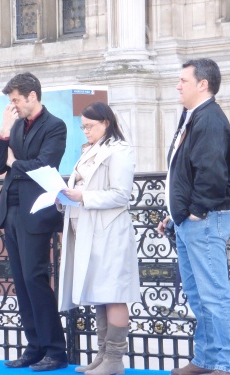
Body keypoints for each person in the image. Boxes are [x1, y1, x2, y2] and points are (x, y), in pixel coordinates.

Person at [157, 58, 230, 375]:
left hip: (204, 221)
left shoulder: (208, 119)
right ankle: (207, 359)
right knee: (198, 296)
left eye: (183, 80)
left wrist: (195, 211)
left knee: (215, 296)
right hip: (189, 221)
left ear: (202, 84)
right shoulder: (193, 117)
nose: (177, 85)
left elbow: (212, 172)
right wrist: (174, 215)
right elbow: (184, 172)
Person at [0, 72, 68, 371]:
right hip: (11, 212)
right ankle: (34, 347)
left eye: (16, 100)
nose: (14, 106)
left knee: (36, 279)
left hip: (36, 211)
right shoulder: (16, 125)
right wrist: (3, 133)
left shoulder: (54, 126)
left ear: (32, 96)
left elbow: (45, 165)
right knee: (22, 283)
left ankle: (55, 351)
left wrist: (14, 163)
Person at [57, 102, 140, 375]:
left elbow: (120, 194)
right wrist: (64, 196)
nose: (86, 132)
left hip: (110, 231)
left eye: (90, 126)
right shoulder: (90, 151)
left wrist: (84, 196)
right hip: (89, 230)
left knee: (114, 294)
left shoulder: (120, 150)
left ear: (106, 122)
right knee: (101, 294)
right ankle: (103, 355)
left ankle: (114, 359)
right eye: (83, 127)